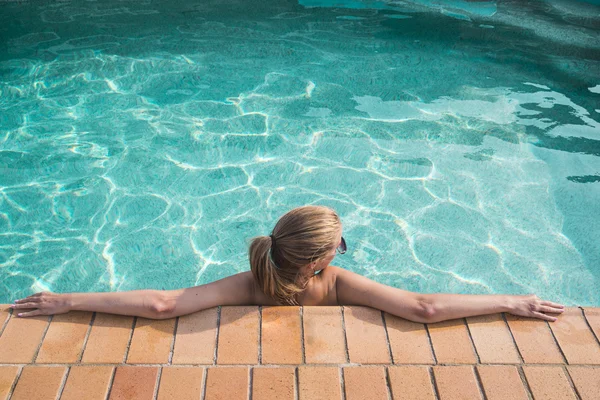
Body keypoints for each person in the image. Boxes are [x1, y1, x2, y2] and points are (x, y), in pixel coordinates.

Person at [9, 205, 564, 322]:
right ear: (324, 260)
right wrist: (511, 300)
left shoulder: (252, 283)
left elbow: (163, 304)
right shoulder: (337, 285)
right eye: (340, 245)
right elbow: (425, 307)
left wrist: (67, 300)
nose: (342, 254)